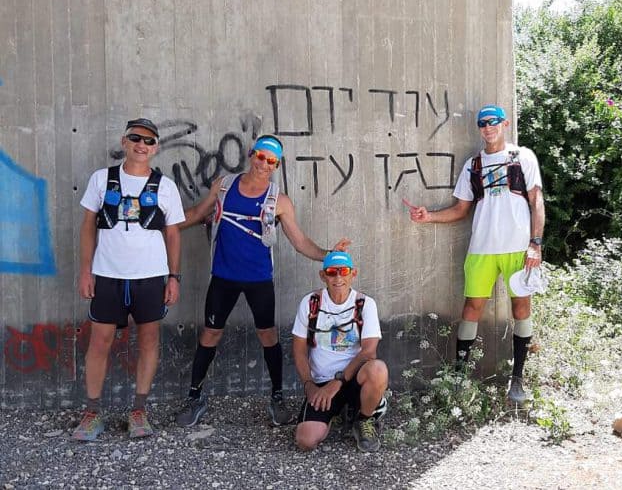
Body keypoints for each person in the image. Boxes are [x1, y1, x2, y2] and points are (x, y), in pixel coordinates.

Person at [175, 134, 350, 427]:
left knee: (268, 335)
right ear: (251, 154)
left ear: (276, 165)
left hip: (259, 280)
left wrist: (329, 255)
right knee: (210, 334)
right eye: (260, 156)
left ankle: (277, 398)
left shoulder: (279, 201)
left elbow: (300, 242)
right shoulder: (224, 186)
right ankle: (194, 397)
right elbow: (196, 214)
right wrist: (158, 226)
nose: (264, 164)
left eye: (271, 161)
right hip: (223, 277)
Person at [404, 104, 545, 404]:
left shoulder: (522, 157)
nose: (488, 127)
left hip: (518, 247)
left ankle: (517, 379)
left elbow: (537, 201)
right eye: (483, 123)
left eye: (493, 121)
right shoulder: (473, 165)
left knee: (521, 307)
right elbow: (460, 209)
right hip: (482, 248)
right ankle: (458, 379)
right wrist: (429, 217)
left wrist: (535, 243)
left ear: (505, 124)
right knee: (471, 309)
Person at [73, 118, 185, 441]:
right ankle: (92, 413)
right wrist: (86, 270)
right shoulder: (102, 179)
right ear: (124, 142)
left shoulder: (165, 186)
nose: (142, 145)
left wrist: (173, 277)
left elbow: (173, 234)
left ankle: (139, 411)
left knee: (148, 340)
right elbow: (88, 225)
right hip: (108, 275)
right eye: (136, 138)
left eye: (149, 141)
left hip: (149, 277)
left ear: (156, 148)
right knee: (100, 342)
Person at [292, 251, 388, 452]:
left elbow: (369, 352)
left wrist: (338, 382)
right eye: (331, 272)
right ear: (322, 275)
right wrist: (309, 385)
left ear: (353, 274)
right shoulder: (310, 303)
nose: (338, 278)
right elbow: (299, 350)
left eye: (343, 271)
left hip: (353, 379)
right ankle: (339, 411)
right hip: (322, 381)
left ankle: (364, 419)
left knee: (378, 369)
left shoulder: (365, 304)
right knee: (306, 441)